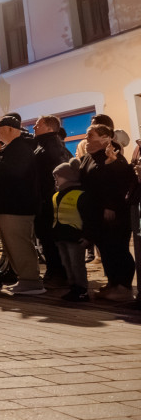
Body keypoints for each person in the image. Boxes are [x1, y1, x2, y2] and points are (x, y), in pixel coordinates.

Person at [0, 113, 44, 295]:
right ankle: (24, 279)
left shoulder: (20, 149)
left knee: (19, 243)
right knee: (12, 244)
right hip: (8, 206)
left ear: (10, 129)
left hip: (16, 207)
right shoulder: (12, 149)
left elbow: (12, 174)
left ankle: (31, 281)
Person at [79, 124, 136, 302]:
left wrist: (110, 206)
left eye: (91, 136)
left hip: (114, 214)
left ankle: (123, 287)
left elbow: (118, 183)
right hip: (96, 212)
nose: (87, 139)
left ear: (105, 138)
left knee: (117, 248)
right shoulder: (90, 156)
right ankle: (112, 283)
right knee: (106, 249)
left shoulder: (114, 156)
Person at [33, 115, 71, 287]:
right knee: (47, 239)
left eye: (38, 124)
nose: (34, 127)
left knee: (51, 239)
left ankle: (58, 274)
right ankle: (54, 272)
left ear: (49, 128)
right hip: (45, 200)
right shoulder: (43, 145)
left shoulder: (52, 147)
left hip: (49, 202)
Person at [51, 160, 91, 302]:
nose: (55, 179)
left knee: (77, 264)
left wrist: (87, 237)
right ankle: (73, 287)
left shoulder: (80, 195)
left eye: (58, 176)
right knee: (67, 264)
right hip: (61, 236)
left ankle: (81, 290)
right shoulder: (56, 195)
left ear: (67, 176)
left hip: (75, 237)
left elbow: (88, 217)